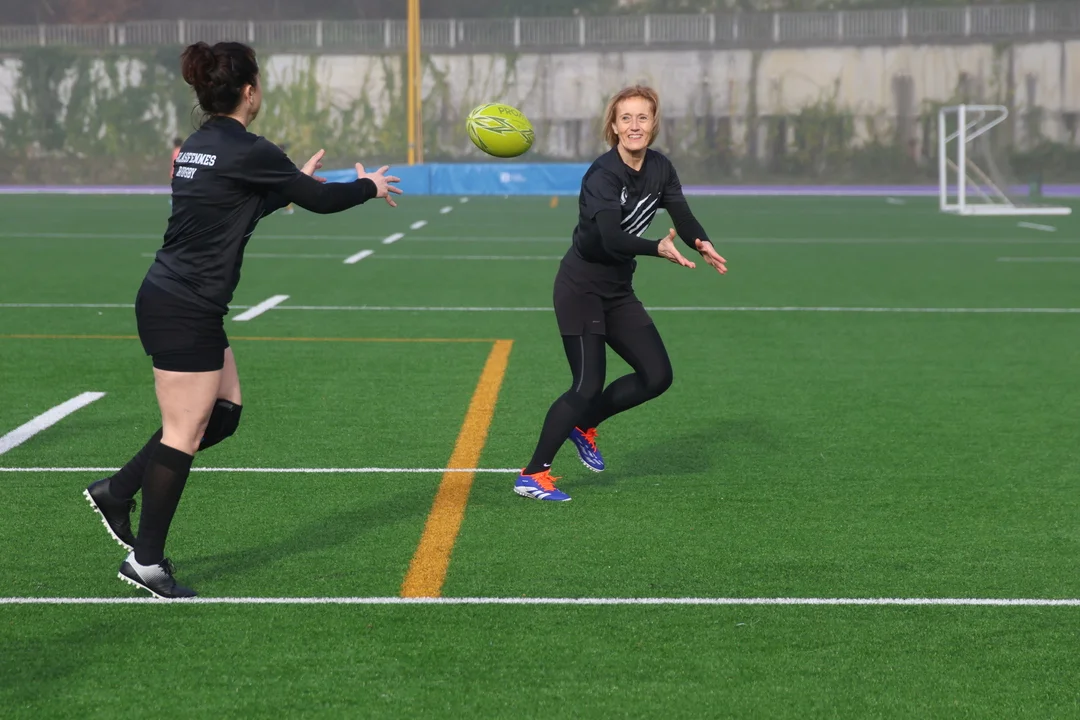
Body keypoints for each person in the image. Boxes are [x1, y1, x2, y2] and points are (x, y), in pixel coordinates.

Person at [82, 40, 402, 599]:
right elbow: (322, 202)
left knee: (223, 415)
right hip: (182, 305)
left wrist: (286, 185)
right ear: (249, 92)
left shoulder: (198, 145)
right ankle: (146, 562)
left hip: (181, 300)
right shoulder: (250, 150)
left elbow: (227, 208)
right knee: (184, 432)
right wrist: (368, 187)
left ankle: (118, 490)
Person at [514, 85, 727, 502]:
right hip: (580, 287)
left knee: (657, 375)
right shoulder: (603, 175)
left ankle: (583, 425)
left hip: (617, 289)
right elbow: (611, 238)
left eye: (642, 117)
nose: (634, 126)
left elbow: (682, 216)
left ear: (653, 124)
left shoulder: (660, 168)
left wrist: (700, 242)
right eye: (625, 118)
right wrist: (656, 248)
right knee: (586, 386)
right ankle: (533, 474)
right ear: (613, 126)